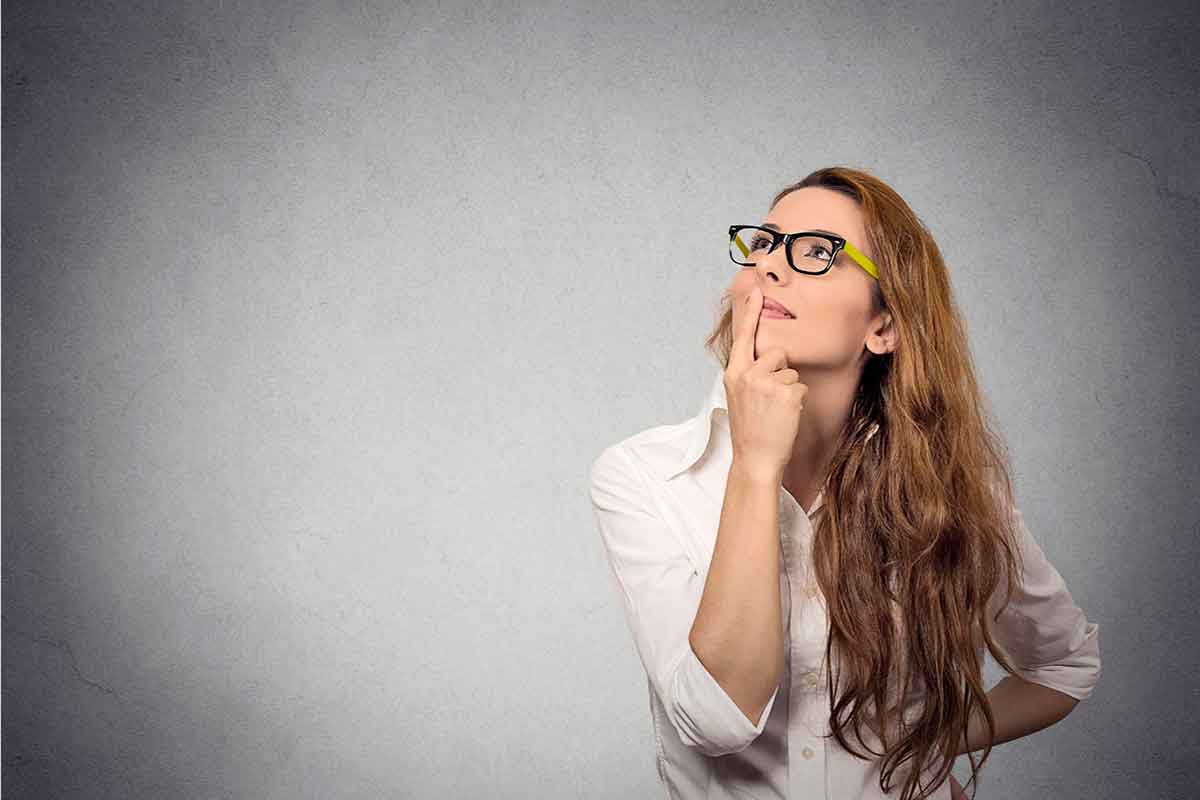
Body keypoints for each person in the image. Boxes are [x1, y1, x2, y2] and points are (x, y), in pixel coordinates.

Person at [588, 166, 1101, 800]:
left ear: (883, 327)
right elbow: (717, 720)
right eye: (764, 243)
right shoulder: (645, 476)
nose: (770, 265)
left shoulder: (951, 493)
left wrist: (918, 749)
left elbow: (1063, 667)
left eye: (816, 252)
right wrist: (755, 466)